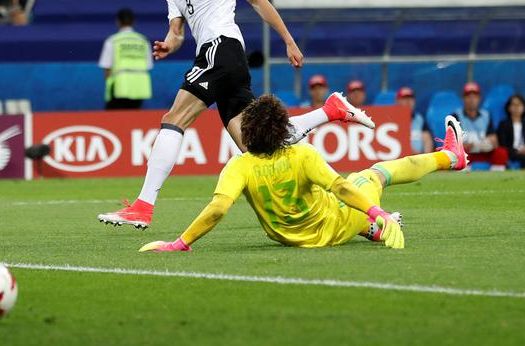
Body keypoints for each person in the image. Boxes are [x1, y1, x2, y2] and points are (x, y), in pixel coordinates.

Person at [97, 0, 374, 229]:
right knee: (259, 146)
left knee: (173, 120)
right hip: (215, 56)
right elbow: (178, 31)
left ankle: (143, 206)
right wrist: (170, 45)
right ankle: (333, 125)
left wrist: (288, 40)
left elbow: (257, 0)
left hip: (222, 50)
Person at [137, 95, 469, 252]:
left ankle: (371, 228)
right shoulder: (302, 153)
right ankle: (450, 158)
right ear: (283, 128)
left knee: (324, 197)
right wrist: (377, 210)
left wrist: (180, 243)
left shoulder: (238, 165)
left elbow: (219, 208)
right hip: (335, 225)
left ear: (249, 131)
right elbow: (340, 188)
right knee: (377, 173)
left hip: (289, 238)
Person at [98, 8, 153, 110]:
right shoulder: (143, 41)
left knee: (113, 120)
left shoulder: (113, 41)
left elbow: (107, 67)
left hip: (119, 87)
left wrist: (109, 87)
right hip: (139, 87)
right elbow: (148, 66)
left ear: (118, 22)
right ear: (133, 22)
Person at [452, 82, 508, 170]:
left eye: (474, 96)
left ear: (479, 99)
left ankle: (497, 178)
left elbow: (494, 140)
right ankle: (463, 178)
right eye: (468, 96)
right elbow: (452, 143)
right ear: (463, 98)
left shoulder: (486, 115)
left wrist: (488, 143)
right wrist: (465, 145)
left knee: (501, 152)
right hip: (467, 153)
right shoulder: (455, 116)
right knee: (459, 154)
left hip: (483, 152)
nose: (471, 99)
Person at [496, 94, 525, 168]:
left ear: (524, 107)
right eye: (514, 105)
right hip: (513, 153)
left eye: (519, 105)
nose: (517, 107)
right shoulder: (503, 125)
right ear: (509, 108)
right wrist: (518, 151)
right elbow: (502, 145)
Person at [395, 86, 433, 154]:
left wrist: (425, 158)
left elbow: (427, 140)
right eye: (404, 98)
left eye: (411, 98)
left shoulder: (419, 119)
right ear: (397, 101)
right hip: (397, 160)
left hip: (418, 160)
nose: (408, 101)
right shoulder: (391, 119)